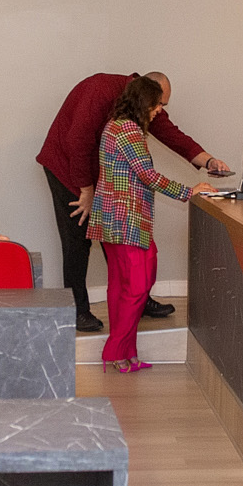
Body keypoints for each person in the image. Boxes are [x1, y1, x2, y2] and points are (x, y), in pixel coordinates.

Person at [38, 71, 230, 333]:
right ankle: (77, 310)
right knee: (77, 242)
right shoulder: (101, 91)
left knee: (119, 239)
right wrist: (86, 190)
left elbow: (172, 135)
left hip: (97, 175)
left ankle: (137, 299)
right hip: (66, 168)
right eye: (159, 104)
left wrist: (209, 161)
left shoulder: (138, 108)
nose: (160, 111)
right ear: (146, 95)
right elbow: (77, 141)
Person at [87, 75, 218, 371]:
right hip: (127, 220)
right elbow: (149, 176)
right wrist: (190, 191)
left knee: (120, 287)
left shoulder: (114, 125)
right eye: (158, 104)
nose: (160, 110)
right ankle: (115, 352)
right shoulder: (129, 130)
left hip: (113, 221)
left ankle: (126, 354)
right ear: (143, 102)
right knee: (137, 288)